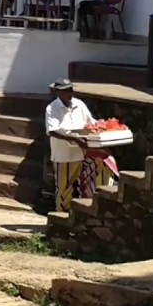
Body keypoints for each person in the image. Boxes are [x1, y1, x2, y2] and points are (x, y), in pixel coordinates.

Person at [45, 78, 99, 212]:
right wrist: (75, 139)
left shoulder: (79, 104)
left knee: (94, 175)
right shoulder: (52, 108)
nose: (69, 93)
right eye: (65, 90)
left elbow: (91, 123)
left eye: (70, 89)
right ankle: (60, 218)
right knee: (63, 189)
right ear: (58, 92)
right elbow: (53, 131)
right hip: (63, 155)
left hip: (82, 152)